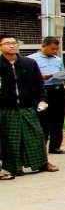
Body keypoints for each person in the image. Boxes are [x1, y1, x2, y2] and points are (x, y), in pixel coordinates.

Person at [0, 35, 54, 175]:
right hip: (7, 108)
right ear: (1, 47)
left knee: (36, 135)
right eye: (7, 43)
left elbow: (39, 84)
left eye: (14, 43)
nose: (12, 45)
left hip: (28, 106)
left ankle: (42, 163)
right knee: (11, 139)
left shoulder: (29, 63)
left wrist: (42, 99)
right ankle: (14, 167)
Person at [28, 36, 65, 154]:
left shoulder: (58, 59)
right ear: (44, 46)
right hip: (44, 90)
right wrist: (41, 77)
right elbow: (28, 77)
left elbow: (63, 74)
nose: (55, 51)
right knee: (43, 119)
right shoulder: (32, 59)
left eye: (57, 49)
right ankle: (41, 146)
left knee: (58, 119)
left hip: (58, 90)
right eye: (52, 49)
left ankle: (55, 146)